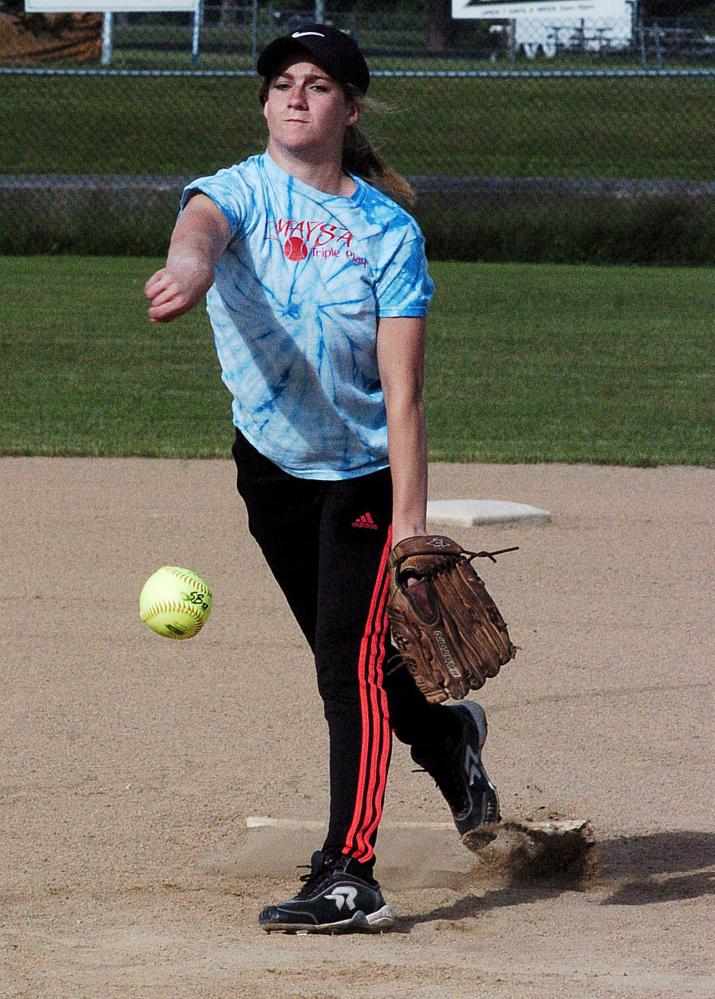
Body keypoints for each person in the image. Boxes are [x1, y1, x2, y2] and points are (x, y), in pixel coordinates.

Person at [145, 24, 499, 934]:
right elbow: (198, 229)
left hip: (363, 475)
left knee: (347, 668)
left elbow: (404, 392)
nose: (294, 96)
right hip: (268, 464)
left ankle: (350, 871)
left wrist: (412, 530)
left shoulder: (387, 232)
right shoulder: (234, 194)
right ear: (264, 103)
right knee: (358, 662)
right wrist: (188, 267)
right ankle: (450, 740)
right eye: (281, 83)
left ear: (349, 106)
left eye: (317, 84)